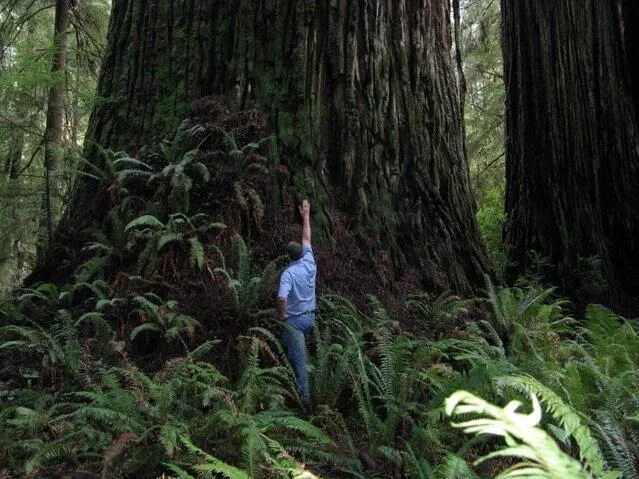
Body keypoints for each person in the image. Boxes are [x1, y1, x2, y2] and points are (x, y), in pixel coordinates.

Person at [277, 199, 316, 406]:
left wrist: (281, 314)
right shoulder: (309, 262)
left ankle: (305, 403)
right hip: (311, 317)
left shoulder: (288, 274)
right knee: (289, 350)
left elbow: (282, 297)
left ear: (287, 256)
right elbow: (307, 238)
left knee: (299, 363)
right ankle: (285, 377)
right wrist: (306, 216)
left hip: (296, 322)